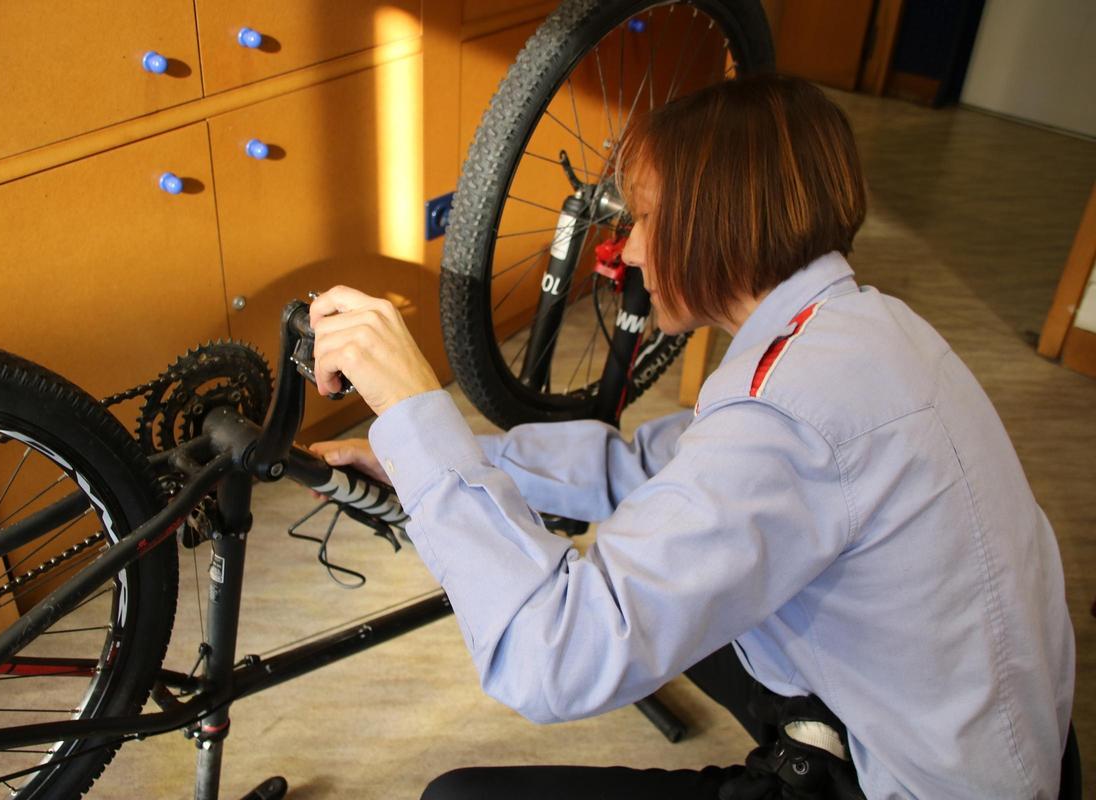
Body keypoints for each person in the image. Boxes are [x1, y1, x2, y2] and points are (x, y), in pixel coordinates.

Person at [306, 74, 1074, 799]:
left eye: (644, 219)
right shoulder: (864, 326)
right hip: (999, 733)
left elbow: (552, 658)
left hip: (916, 782)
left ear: (718, 227)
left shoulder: (788, 418)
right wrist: (445, 460)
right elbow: (655, 464)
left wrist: (414, 411)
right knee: (673, 580)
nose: (630, 250)